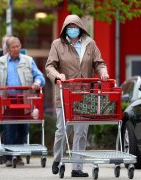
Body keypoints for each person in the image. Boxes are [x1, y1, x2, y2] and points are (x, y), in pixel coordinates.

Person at [45, 14, 109, 177]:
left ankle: (77, 168)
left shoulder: (90, 43)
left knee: (81, 132)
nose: (72, 29)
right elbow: (50, 66)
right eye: (69, 27)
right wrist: (58, 75)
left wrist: (103, 71)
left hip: (84, 94)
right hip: (65, 94)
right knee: (62, 130)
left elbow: (98, 62)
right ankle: (57, 159)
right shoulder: (57, 44)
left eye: (75, 27)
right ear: (65, 28)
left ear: (81, 27)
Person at [0, 36, 45, 167]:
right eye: (13, 47)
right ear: (7, 49)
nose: (17, 49)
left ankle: (16, 153)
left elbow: (40, 76)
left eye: (18, 46)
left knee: (24, 129)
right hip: (8, 100)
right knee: (10, 128)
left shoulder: (28, 61)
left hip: (25, 100)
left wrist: (37, 82)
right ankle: (9, 157)